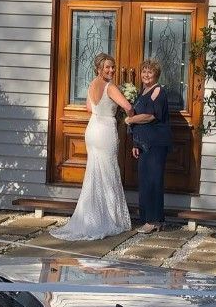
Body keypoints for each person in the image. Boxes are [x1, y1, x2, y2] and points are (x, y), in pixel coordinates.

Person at [51, 53, 134, 240]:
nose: (111, 70)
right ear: (99, 68)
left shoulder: (91, 84)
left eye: (113, 67)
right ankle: (111, 218)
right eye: (107, 67)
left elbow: (89, 108)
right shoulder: (110, 87)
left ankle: (92, 216)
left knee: (95, 173)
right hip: (105, 131)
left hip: (92, 129)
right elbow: (128, 106)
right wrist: (128, 114)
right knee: (109, 171)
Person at [125, 59, 171, 233]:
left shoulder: (159, 91)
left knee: (153, 181)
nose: (146, 75)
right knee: (145, 181)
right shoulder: (144, 91)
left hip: (156, 144)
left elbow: (151, 116)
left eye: (149, 72)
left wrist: (130, 119)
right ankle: (153, 220)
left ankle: (153, 221)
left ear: (156, 74)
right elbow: (139, 115)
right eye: (144, 71)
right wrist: (135, 143)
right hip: (144, 143)